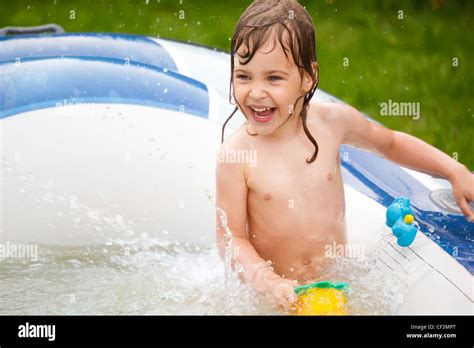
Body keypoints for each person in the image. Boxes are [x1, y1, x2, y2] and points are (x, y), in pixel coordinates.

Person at [215, 0, 473, 311]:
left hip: (338, 285)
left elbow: (389, 144)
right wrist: (267, 281)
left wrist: (452, 169)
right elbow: (232, 240)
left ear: (308, 77)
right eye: (244, 76)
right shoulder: (236, 156)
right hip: (277, 298)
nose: (256, 92)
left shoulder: (331, 124)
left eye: (273, 78)